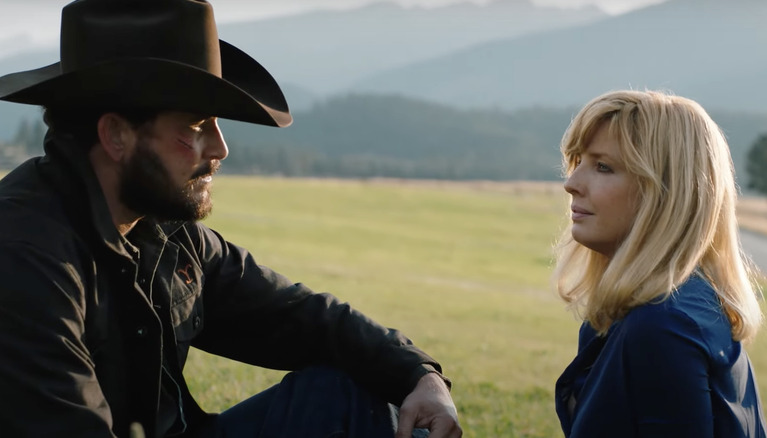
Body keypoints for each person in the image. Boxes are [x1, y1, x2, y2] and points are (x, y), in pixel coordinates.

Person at [0, 1, 462, 437]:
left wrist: (418, 374)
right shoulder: (26, 260)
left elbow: (299, 317)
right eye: (196, 129)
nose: (220, 149)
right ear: (116, 135)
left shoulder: (166, 234)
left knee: (347, 395)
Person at [552, 90, 767, 437]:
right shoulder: (669, 307)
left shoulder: (664, 326)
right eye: (578, 162)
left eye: (603, 167)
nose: (571, 184)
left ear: (665, 193)